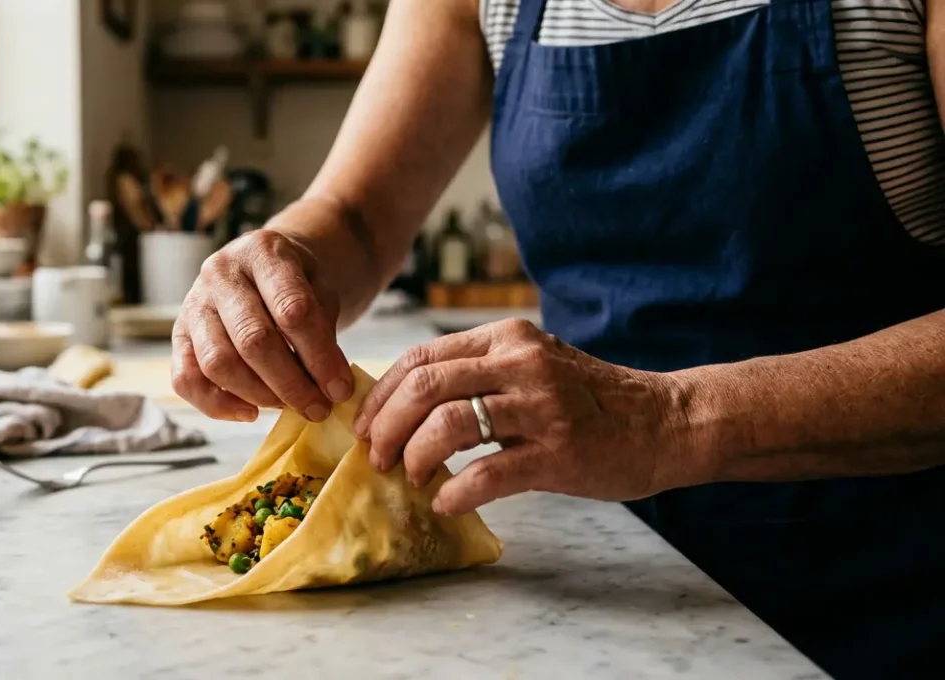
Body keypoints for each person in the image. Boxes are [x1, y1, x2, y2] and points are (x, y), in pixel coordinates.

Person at [172, 0, 945, 677]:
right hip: (596, 587)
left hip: (888, 585)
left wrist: (667, 418)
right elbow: (356, 217)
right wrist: (281, 256)